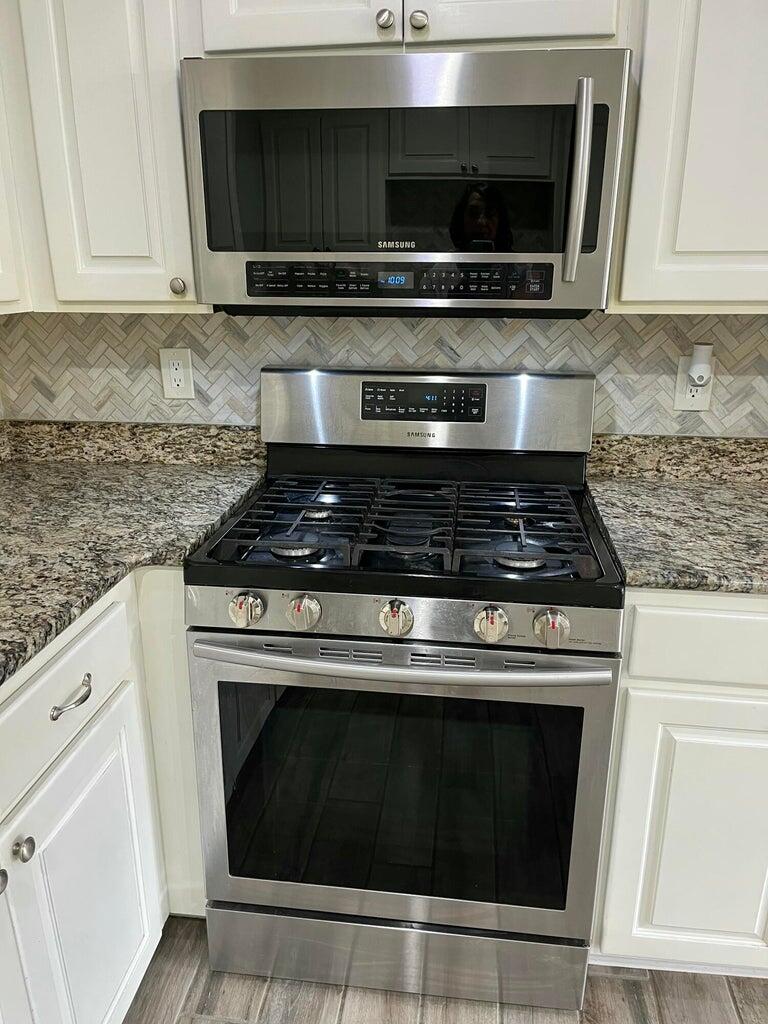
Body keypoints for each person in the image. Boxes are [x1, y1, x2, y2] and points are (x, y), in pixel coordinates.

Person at [449, 181, 513, 252]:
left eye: (490, 213)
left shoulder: (516, 262)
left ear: (500, 220)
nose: (481, 222)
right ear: (461, 218)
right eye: (473, 213)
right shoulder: (448, 261)